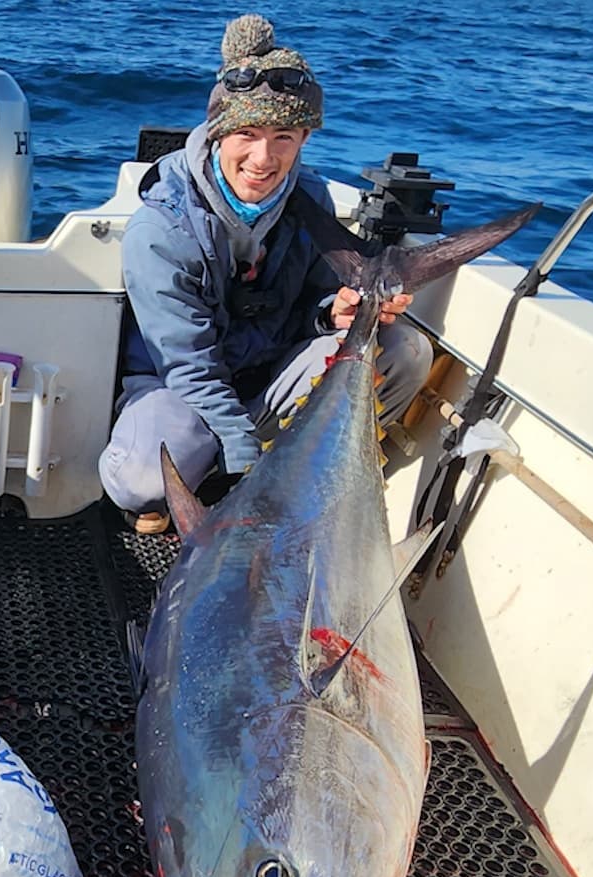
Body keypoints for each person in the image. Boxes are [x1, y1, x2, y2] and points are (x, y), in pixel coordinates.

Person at [99, 12, 434, 534]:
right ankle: (227, 477)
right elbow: (189, 369)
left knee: (404, 353)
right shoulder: (160, 229)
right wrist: (248, 469)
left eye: (283, 137)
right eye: (247, 134)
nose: (263, 157)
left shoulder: (312, 201)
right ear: (218, 134)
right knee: (144, 477)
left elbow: (316, 305)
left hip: (272, 380)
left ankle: (305, 478)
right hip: (179, 390)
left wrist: (334, 314)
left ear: (304, 138)